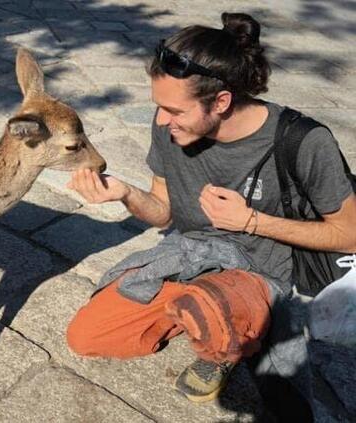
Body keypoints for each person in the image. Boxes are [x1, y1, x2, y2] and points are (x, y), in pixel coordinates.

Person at [65, 11, 356, 405]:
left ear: (221, 101)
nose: (162, 119)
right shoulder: (167, 124)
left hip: (260, 270)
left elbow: (349, 234)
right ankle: (207, 313)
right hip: (189, 256)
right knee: (87, 336)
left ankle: (231, 327)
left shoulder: (304, 141)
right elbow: (164, 211)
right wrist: (125, 194)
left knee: (214, 318)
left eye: (175, 111)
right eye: (159, 107)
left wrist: (252, 221)